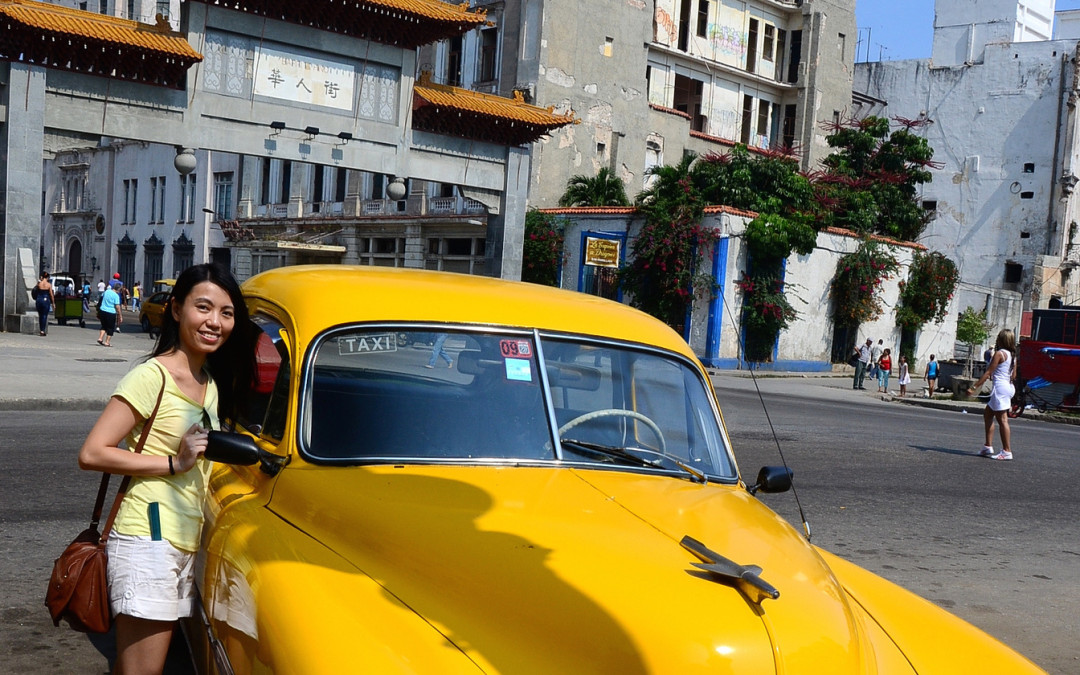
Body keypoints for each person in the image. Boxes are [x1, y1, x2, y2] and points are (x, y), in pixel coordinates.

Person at [77, 263, 254, 673]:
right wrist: (174, 462)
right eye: (204, 308)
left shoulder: (207, 380)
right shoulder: (153, 375)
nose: (215, 322)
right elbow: (92, 452)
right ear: (176, 310)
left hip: (181, 539)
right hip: (147, 538)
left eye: (226, 313)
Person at [967, 329, 1017, 461]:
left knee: (1003, 420)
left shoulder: (999, 354)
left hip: (1000, 388)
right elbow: (1014, 375)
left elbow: (988, 372)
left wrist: (974, 387)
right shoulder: (1013, 355)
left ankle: (1007, 451)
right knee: (988, 414)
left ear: (1002, 340)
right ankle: (987, 446)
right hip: (1008, 386)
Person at [97, 281, 123, 346]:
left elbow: (101, 299)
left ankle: (100, 338)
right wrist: (120, 315)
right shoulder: (116, 296)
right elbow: (117, 306)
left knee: (104, 326)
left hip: (102, 311)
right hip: (111, 312)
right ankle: (107, 342)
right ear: (118, 289)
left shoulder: (106, 292)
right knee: (110, 328)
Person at [33, 272, 55, 337]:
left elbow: (35, 290)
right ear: (48, 277)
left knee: (40, 315)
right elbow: (51, 295)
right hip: (46, 300)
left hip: (39, 299)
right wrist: (53, 303)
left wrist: (40, 280)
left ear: (42, 277)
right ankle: (43, 330)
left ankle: (41, 330)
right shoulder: (49, 285)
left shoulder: (39, 284)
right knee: (44, 315)